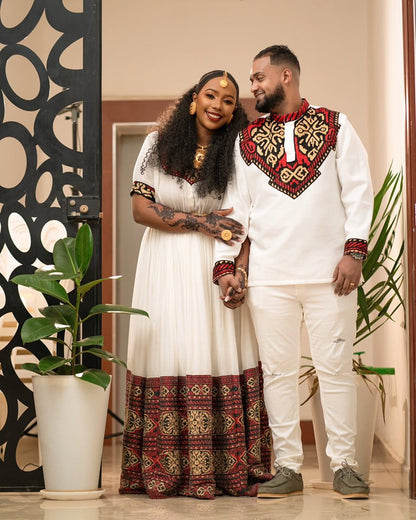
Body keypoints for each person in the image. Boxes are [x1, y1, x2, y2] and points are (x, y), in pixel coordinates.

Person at [213, 46, 374, 499]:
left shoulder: (336, 125)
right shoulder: (245, 142)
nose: (253, 87)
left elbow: (359, 193)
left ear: (286, 76)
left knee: (336, 370)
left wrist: (354, 252)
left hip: (332, 277)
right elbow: (236, 210)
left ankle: (344, 466)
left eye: (258, 78)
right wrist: (226, 265)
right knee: (278, 374)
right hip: (269, 278)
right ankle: (287, 466)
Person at [119, 70, 272, 499]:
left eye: (228, 101)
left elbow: (243, 218)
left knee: (217, 345)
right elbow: (140, 209)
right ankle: (163, 470)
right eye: (210, 95)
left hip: (215, 264)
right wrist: (203, 222)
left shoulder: (238, 154)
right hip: (164, 262)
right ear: (193, 99)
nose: (218, 105)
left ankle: (227, 470)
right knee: (170, 345)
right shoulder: (155, 145)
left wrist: (237, 268)